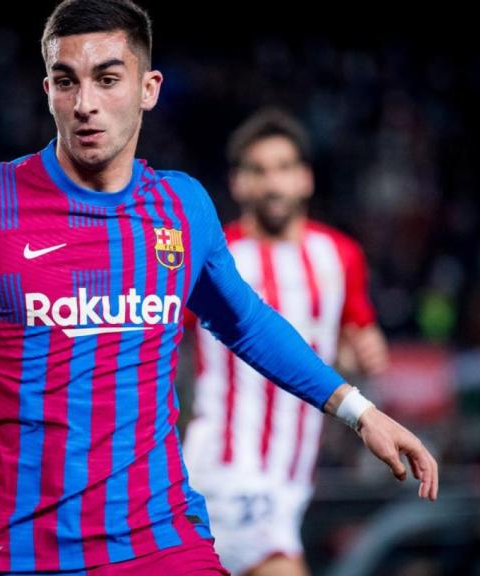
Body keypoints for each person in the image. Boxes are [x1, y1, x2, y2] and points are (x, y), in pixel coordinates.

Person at [0, 1, 437, 574]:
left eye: (108, 79)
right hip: (21, 550)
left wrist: (359, 412)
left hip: (161, 539)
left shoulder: (181, 206)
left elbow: (245, 321)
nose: (85, 103)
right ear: (47, 89)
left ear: (149, 88)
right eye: (66, 82)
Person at [182, 109, 390, 576]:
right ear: (238, 183)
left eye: (283, 168)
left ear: (306, 179)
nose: (272, 184)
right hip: (228, 468)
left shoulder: (340, 256)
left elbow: (355, 332)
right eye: (258, 171)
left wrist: (363, 351)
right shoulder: (216, 260)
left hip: (293, 479)